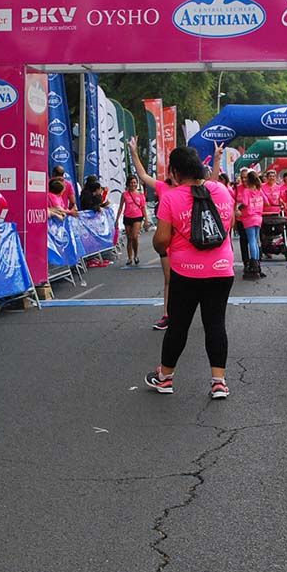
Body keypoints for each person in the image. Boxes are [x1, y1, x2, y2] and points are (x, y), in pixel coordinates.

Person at [145, 146, 236, 400]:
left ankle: (165, 377)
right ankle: (219, 382)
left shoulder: (171, 198)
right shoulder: (221, 191)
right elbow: (227, 225)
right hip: (221, 269)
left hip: (186, 272)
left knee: (178, 326)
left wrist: (167, 245)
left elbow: (161, 240)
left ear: (174, 172)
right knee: (215, 324)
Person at [129, 137, 173, 330]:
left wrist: (215, 161)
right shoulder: (163, 186)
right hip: (166, 240)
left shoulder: (189, 188)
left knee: (190, 282)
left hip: (186, 241)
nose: (172, 173)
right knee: (169, 279)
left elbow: (212, 183)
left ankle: (185, 313)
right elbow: (143, 175)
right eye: (171, 170)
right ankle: (167, 314)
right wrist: (133, 152)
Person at [237, 171, 265, 280]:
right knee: (256, 241)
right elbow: (266, 201)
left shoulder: (246, 191)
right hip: (259, 217)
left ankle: (253, 264)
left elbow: (245, 203)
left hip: (249, 218)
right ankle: (257, 263)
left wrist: (238, 209)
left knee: (251, 241)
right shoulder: (259, 190)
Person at [116, 175, 149, 266]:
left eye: (134, 183)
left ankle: (136, 255)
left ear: (137, 184)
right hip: (127, 217)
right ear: (128, 183)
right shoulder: (124, 194)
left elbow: (143, 208)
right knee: (129, 238)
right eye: (131, 183)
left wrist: (146, 220)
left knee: (134, 236)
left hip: (137, 217)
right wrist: (117, 220)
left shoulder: (140, 195)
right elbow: (120, 207)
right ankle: (130, 257)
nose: (133, 184)